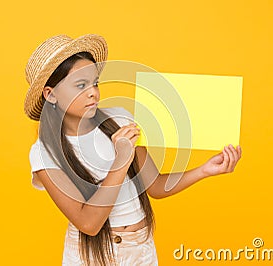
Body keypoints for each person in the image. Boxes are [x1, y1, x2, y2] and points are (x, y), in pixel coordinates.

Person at [24, 34, 242, 266]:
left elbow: (156, 186)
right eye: (81, 85)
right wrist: (121, 159)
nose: (93, 92)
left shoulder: (120, 118)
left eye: (95, 83)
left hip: (141, 247)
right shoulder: (44, 153)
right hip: (93, 255)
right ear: (51, 94)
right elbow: (89, 223)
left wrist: (205, 170)